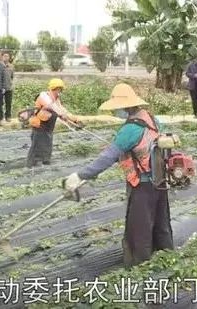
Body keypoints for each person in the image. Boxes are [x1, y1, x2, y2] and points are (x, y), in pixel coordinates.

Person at [63, 83, 174, 268]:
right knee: (161, 223)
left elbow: (106, 158)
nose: (117, 112)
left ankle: (140, 266)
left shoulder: (130, 129)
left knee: (139, 228)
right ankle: (166, 256)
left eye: (118, 108)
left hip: (142, 185)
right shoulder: (151, 119)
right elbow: (140, 147)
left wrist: (79, 175)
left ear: (125, 107)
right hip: (160, 180)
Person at [26, 78, 79, 168]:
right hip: (40, 125)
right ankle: (32, 166)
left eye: (60, 89)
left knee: (47, 143)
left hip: (48, 126)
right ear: (54, 88)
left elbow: (63, 110)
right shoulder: (44, 96)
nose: (59, 91)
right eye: (59, 89)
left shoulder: (56, 99)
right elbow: (52, 107)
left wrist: (75, 120)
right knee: (37, 145)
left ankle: (45, 161)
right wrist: (62, 115)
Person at [1, 52, 14, 122]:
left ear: (9, 58)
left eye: (7, 56)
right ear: (2, 57)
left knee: (8, 103)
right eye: (4, 56)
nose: (6, 57)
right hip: (1, 88)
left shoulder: (11, 66)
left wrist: (10, 84)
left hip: (9, 88)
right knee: (0, 103)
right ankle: (0, 117)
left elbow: (12, 77)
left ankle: (8, 117)